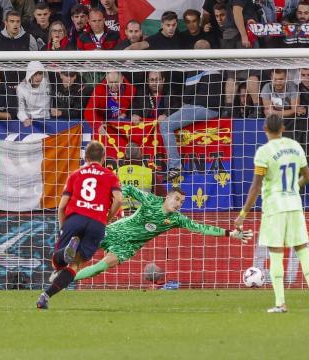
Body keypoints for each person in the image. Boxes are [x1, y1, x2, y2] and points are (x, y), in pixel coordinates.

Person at [234, 114, 309, 314]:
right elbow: (308, 176)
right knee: (302, 251)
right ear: (283, 128)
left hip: (275, 208)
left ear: (265, 129)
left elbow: (256, 187)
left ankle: (280, 303)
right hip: (295, 205)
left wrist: (243, 213)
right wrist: (293, 189)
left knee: (276, 254)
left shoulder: (264, 152)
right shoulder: (295, 146)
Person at [74, 185, 252, 282]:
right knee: (81, 252)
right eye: (176, 199)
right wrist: (112, 198)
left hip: (128, 247)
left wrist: (230, 233)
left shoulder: (176, 219)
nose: (178, 204)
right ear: (167, 197)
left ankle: (65, 280)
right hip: (114, 231)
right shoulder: (150, 200)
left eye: (181, 202)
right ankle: (67, 257)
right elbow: (127, 188)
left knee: (99, 268)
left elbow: (202, 228)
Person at [36, 141, 123, 309]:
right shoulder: (111, 175)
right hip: (97, 222)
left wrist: (63, 228)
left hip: (75, 218)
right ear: (104, 158)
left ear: (85, 156)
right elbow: (119, 200)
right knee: (75, 265)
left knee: (57, 260)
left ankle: (65, 252)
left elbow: (62, 206)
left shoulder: (76, 174)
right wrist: (107, 217)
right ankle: (45, 296)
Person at [16, 60, 50, 127]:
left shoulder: (46, 83)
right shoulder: (21, 88)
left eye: (40, 74)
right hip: (30, 122)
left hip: (47, 120)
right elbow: (20, 110)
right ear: (29, 74)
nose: (38, 77)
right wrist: (25, 119)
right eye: (35, 74)